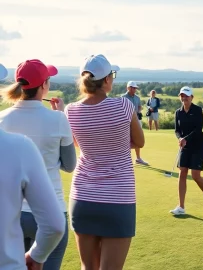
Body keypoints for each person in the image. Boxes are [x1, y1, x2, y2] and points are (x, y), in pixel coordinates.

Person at [65, 54, 145, 270]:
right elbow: (139, 141)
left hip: (82, 197)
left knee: (87, 267)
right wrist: (117, 143)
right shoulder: (124, 106)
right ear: (107, 80)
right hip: (119, 198)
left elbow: (76, 143)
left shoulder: (70, 110)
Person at [0, 59, 76, 270]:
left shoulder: (2, 119)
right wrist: (60, 114)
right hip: (51, 211)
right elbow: (70, 165)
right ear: (44, 85)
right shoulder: (58, 119)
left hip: (12, 212)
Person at [170, 86, 203, 218]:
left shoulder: (197, 110)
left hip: (198, 146)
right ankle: (181, 206)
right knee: (182, 172)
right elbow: (176, 130)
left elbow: (198, 129)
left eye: (186, 96)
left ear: (192, 97)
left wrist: (185, 139)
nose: (184, 98)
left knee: (195, 175)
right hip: (185, 146)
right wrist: (180, 138)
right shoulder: (178, 112)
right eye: (182, 96)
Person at [122, 81, 149, 165]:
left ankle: (138, 158)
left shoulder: (137, 98)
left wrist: (139, 110)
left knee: (137, 139)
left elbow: (139, 106)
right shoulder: (123, 97)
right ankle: (126, 159)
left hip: (136, 120)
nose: (135, 89)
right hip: (126, 121)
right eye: (133, 88)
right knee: (125, 139)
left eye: (135, 88)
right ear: (128, 88)